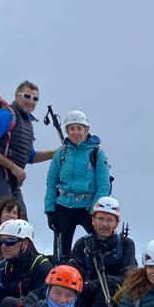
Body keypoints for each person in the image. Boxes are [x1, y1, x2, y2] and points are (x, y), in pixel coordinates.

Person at [0, 80, 56, 214]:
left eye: (36, 99)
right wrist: (13, 167)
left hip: (11, 177)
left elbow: (29, 156)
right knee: (7, 218)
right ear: (17, 96)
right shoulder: (6, 114)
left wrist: (54, 153)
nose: (31, 101)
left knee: (21, 223)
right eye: (27, 96)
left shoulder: (27, 122)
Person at [44, 110, 112, 257]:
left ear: (86, 130)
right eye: (72, 128)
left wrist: (94, 211)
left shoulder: (97, 153)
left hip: (87, 209)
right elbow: (51, 183)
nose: (76, 132)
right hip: (63, 207)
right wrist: (50, 210)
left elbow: (104, 186)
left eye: (79, 128)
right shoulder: (61, 153)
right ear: (67, 131)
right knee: (62, 256)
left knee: (98, 251)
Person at [67, 196, 137, 307]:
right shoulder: (82, 244)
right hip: (85, 294)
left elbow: (128, 276)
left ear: (116, 223)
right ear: (93, 221)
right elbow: (73, 271)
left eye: (109, 220)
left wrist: (97, 284)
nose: (104, 224)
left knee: (109, 285)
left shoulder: (126, 245)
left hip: (115, 298)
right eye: (101, 219)